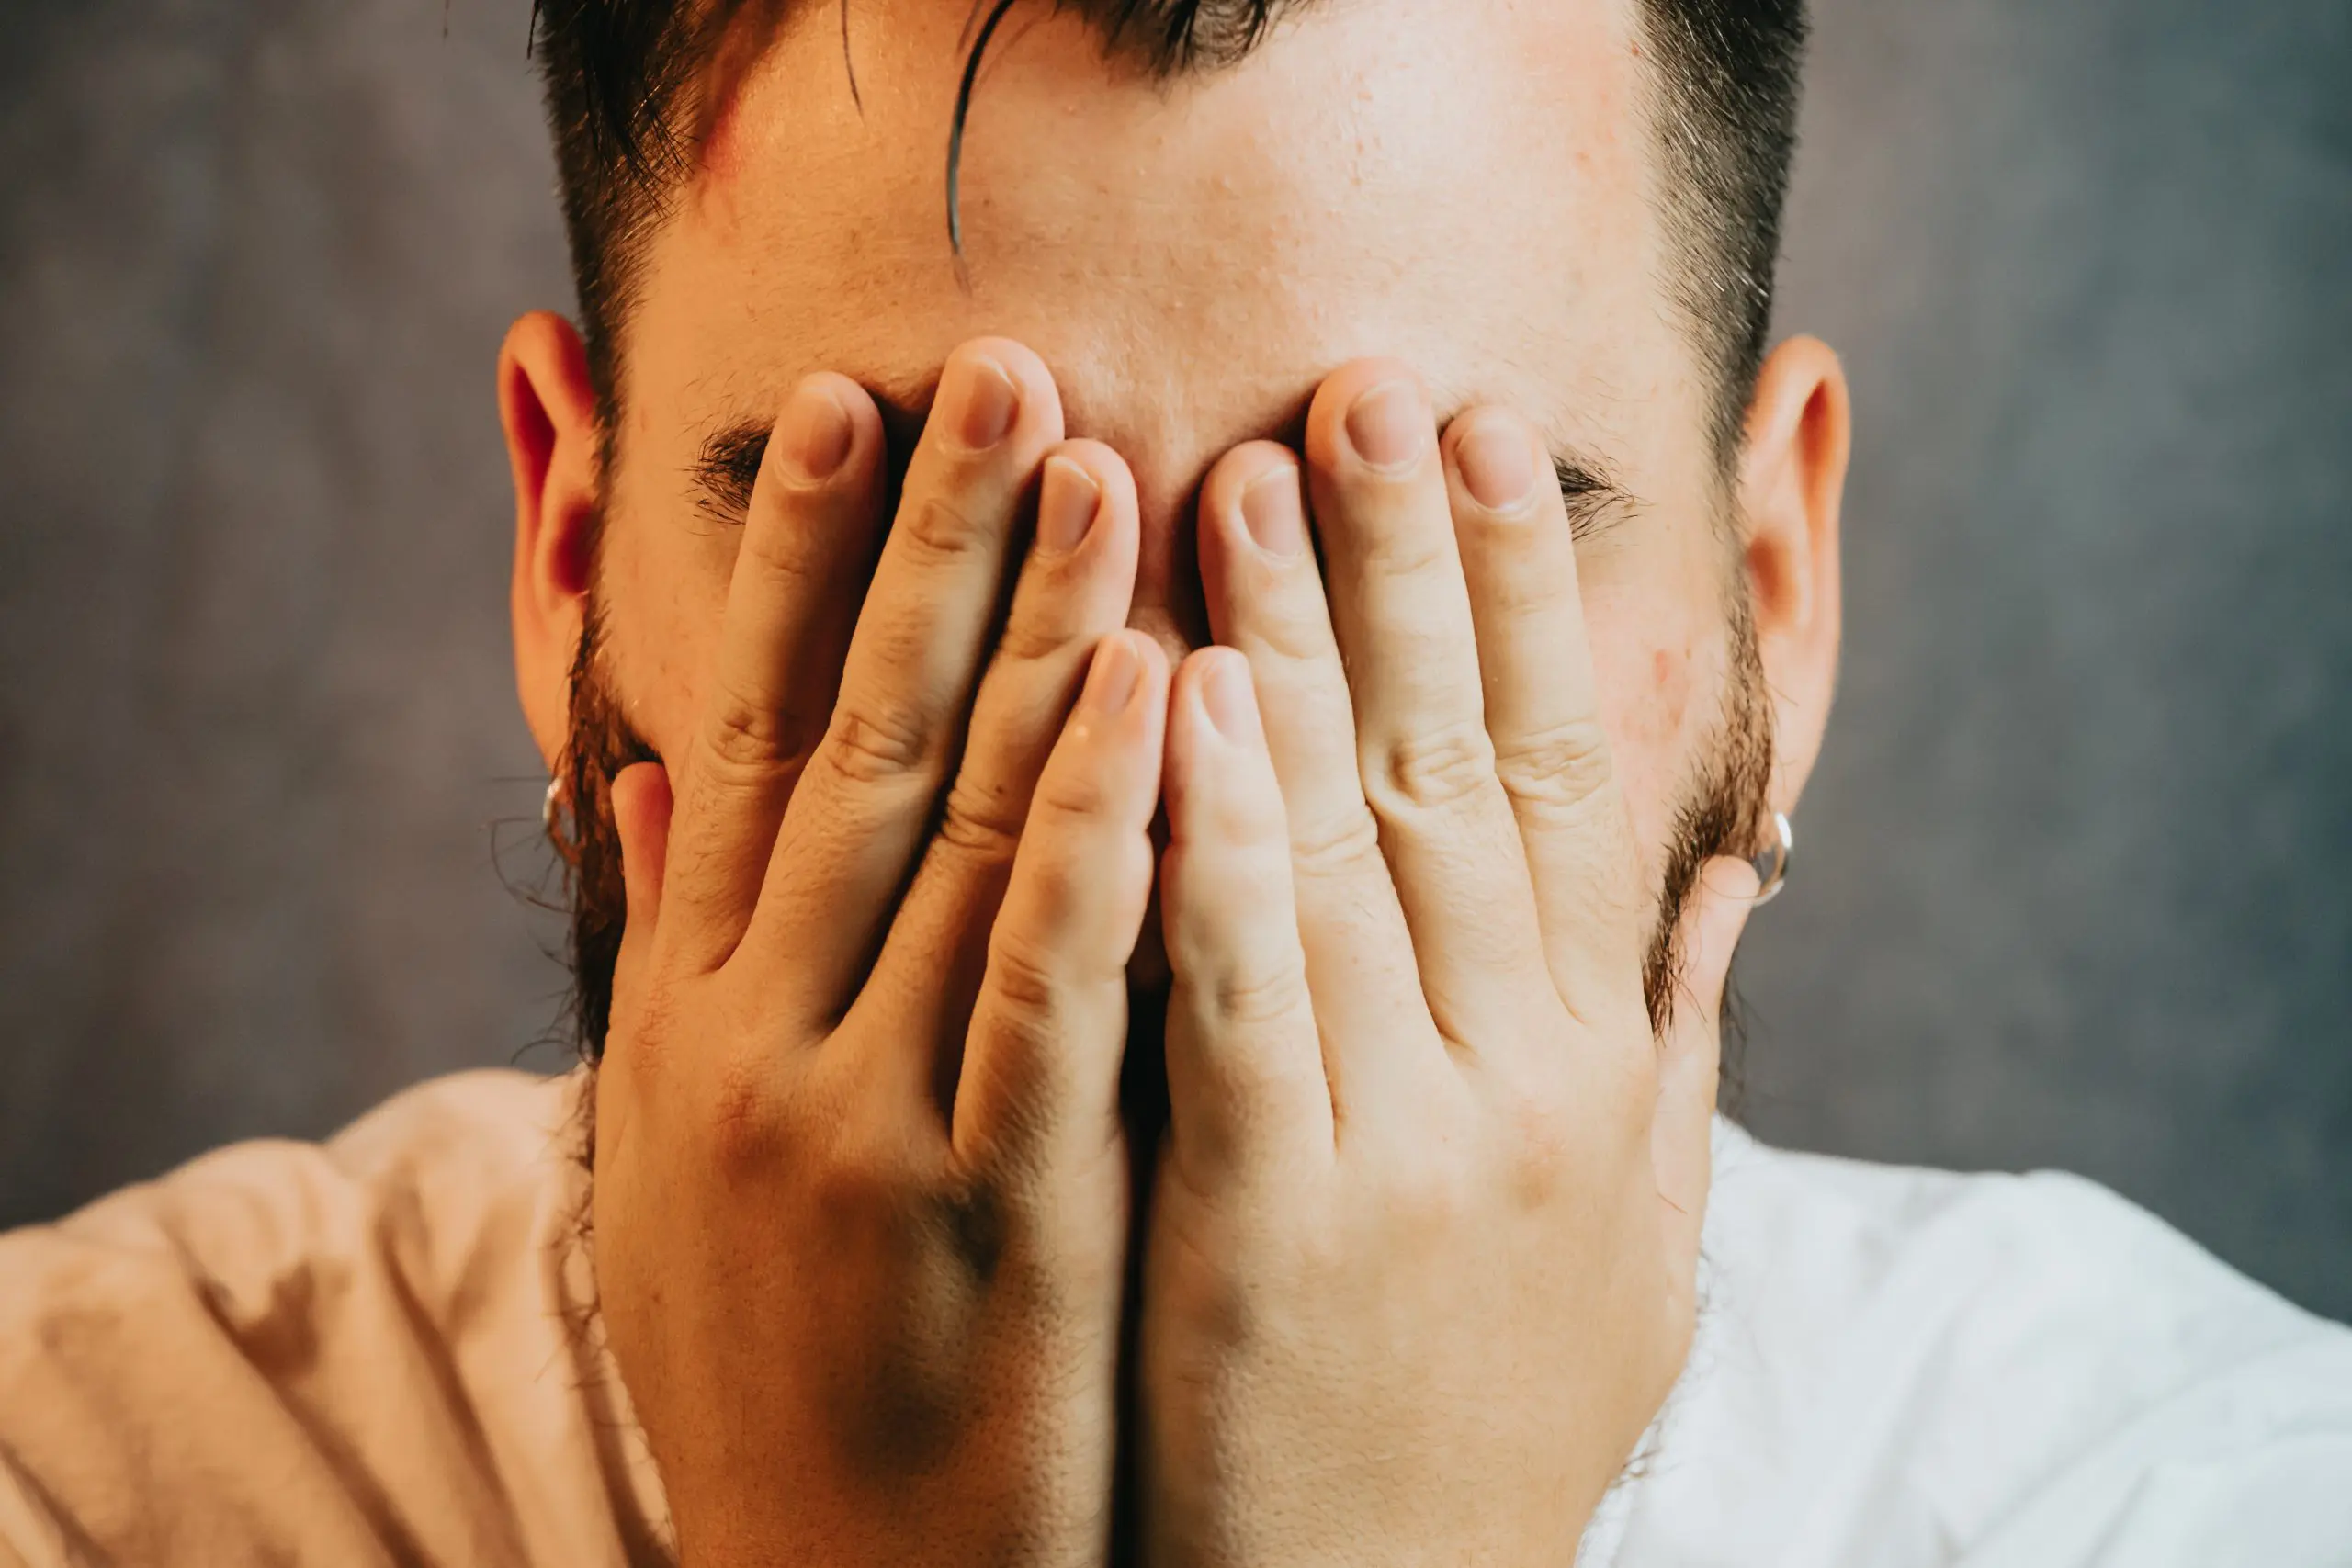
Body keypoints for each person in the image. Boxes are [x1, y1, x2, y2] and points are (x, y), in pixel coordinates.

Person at [3, 1, 2346, 1562]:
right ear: (570, 555)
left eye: (1398, 549)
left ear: (1774, 591)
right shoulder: (84, 1479)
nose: (1155, 818)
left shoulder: (2203, 1502)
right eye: (936, 537)